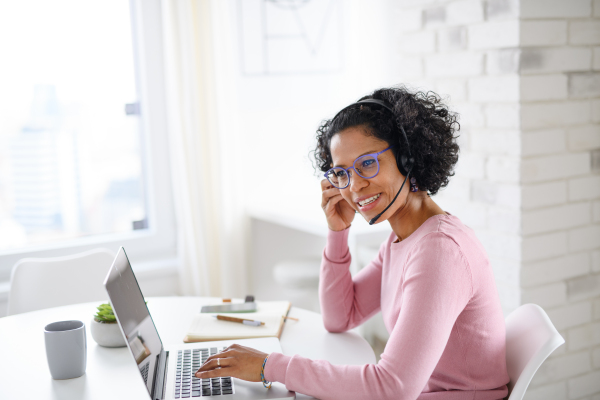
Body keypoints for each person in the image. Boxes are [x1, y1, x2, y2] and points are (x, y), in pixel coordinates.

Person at [196, 87, 510, 399]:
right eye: (342, 173)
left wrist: (269, 366)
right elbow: (340, 317)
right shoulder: (403, 239)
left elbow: (392, 387)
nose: (355, 186)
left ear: (407, 157)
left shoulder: (439, 251)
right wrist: (337, 231)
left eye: (367, 164)